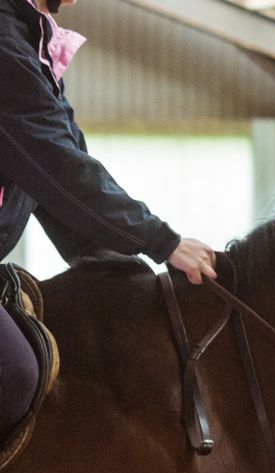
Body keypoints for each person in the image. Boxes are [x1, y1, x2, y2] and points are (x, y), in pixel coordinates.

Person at [0, 0, 217, 444]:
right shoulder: (5, 43)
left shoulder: (28, 38)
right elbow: (58, 167)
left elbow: (59, 171)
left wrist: (119, 269)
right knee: (14, 371)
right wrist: (162, 241)